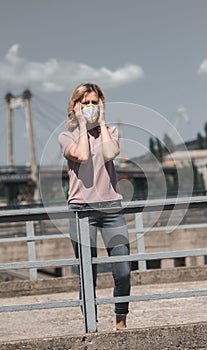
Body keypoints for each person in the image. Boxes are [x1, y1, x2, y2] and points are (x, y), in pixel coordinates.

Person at [58, 83, 131, 330]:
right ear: (76, 106)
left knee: (122, 270)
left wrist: (99, 123)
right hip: (81, 211)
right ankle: (92, 324)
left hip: (112, 208)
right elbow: (83, 156)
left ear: (101, 104)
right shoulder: (66, 137)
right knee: (87, 273)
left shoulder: (110, 132)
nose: (90, 107)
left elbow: (110, 154)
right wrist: (82, 125)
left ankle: (120, 321)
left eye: (94, 102)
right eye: (85, 103)